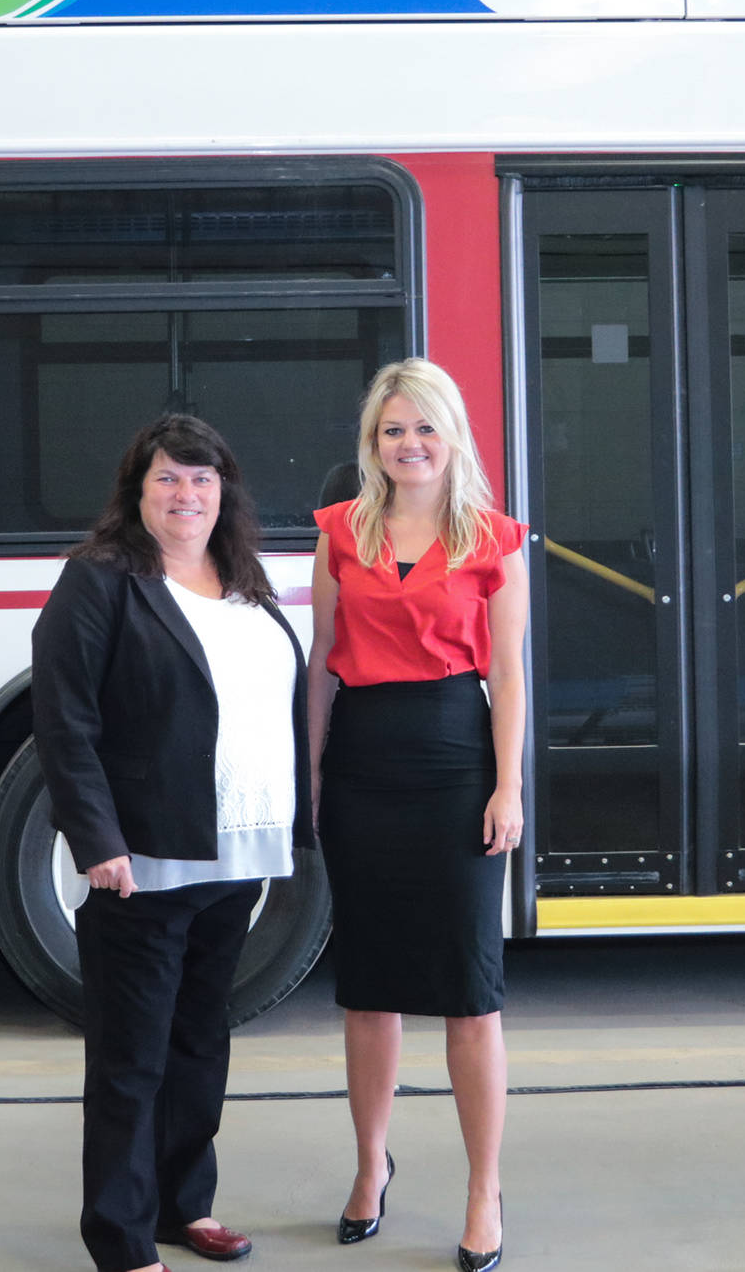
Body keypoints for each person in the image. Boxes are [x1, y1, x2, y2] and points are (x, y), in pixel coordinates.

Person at [32, 412, 312, 1272]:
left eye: (201, 478)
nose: (185, 493)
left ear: (223, 491)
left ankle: (185, 1205)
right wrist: (96, 838)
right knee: (131, 1054)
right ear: (138, 491)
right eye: (168, 478)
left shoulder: (243, 579)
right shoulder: (102, 580)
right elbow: (65, 718)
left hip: (237, 858)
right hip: (144, 862)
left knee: (199, 1041)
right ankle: (120, 1237)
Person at [308, 358, 529, 1272]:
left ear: (453, 437)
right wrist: (312, 776)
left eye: (424, 428)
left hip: (454, 758)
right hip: (362, 760)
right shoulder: (339, 534)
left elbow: (510, 673)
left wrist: (507, 785)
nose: (409, 444)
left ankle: (484, 1190)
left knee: (469, 995)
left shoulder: (494, 537)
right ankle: (370, 1166)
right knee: (368, 987)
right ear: (374, 443)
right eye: (393, 430)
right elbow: (322, 660)